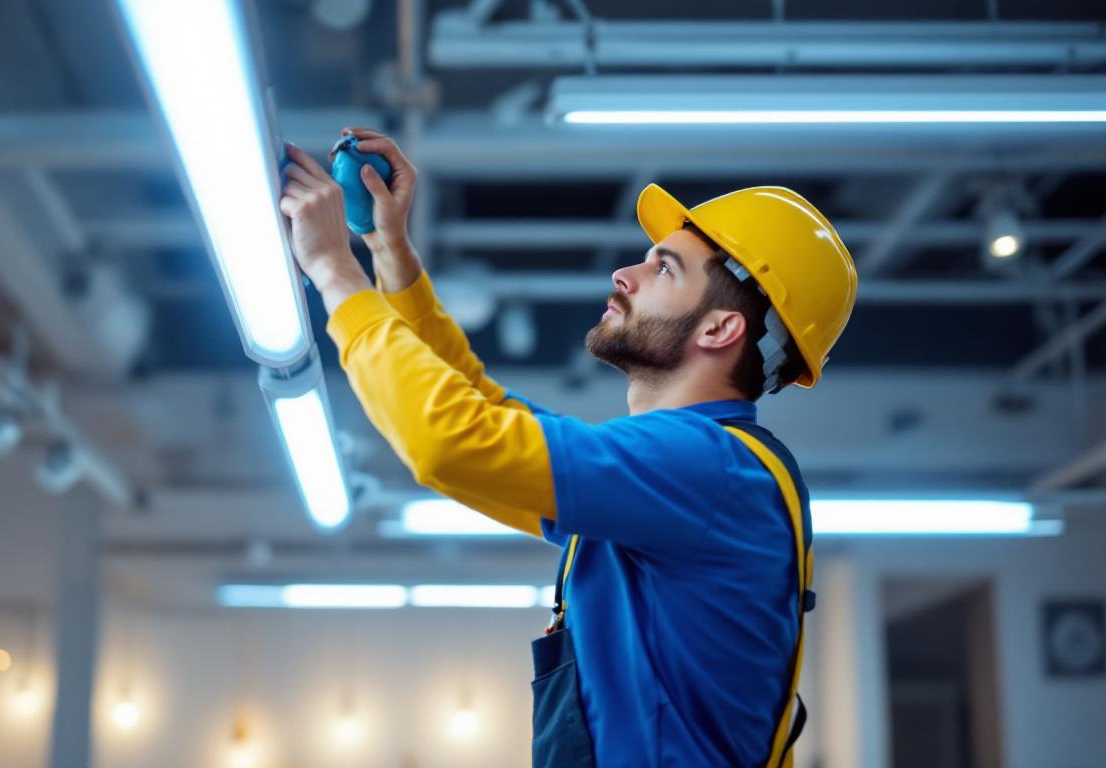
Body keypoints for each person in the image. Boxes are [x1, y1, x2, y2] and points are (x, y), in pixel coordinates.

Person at [278, 128, 857, 767]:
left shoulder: (705, 466)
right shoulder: (690, 472)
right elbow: (488, 413)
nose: (624, 274)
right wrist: (388, 250)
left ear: (720, 328)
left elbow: (453, 442)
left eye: (664, 268)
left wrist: (334, 272)